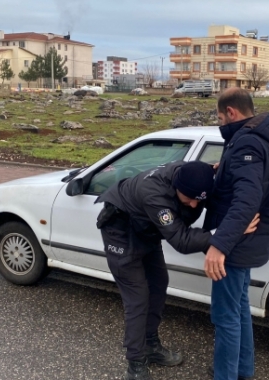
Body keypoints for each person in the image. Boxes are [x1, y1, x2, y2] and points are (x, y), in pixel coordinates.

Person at [96, 160, 258, 380]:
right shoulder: (154, 195)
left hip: (147, 231)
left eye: (198, 200)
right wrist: (228, 232)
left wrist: (223, 166)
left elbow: (203, 175)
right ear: (176, 188)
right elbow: (181, 241)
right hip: (121, 233)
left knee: (158, 284)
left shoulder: (190, 175)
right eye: (188, 199)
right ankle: (135, 361)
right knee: (138, 298)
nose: (193, 205)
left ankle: (150, 344)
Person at [203, 87, 269, 380]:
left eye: (219, 117)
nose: (220, 123)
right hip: (248, 241)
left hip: (237, 246)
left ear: (231, 112)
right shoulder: (260, 139)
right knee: (239, 311)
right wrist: (224, 168)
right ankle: (243, 371)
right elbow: (252, 181)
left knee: (225, 317)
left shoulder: (245, 144)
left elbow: (247, 200)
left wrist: (219, 245)